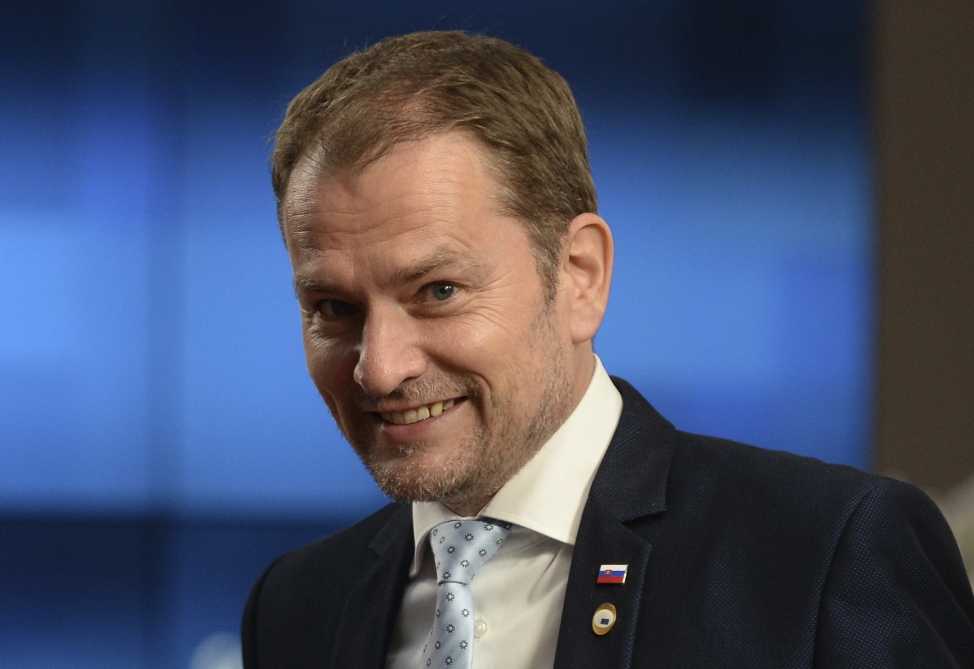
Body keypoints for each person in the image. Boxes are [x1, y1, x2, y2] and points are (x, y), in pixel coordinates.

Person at [241, 31, 974, 668]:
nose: (379, 367)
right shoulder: (296, 606)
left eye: (438, 291)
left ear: (580, 275)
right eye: (334, 308)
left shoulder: (826, 555)